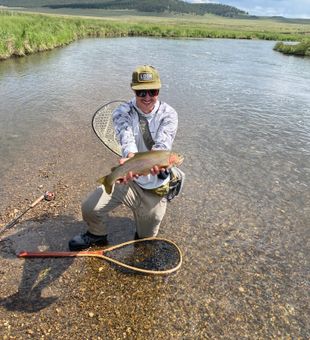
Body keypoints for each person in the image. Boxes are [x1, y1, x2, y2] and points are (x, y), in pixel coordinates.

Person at [69, 65, 179, 251]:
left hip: (155, 186)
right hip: (129, 178)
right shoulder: (122, 112)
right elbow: (126, 139)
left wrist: (156, 165)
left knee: (145, 240)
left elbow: (162, 147)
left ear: (158, 90)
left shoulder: (169, 114)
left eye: (152, 91)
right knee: (90, 208)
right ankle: (97, 234)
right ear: (134, 90)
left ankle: (144, 224)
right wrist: (129, 158)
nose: (147, 97)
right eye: (141, 92)